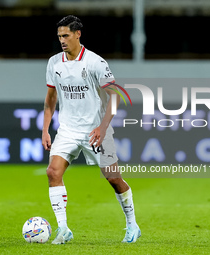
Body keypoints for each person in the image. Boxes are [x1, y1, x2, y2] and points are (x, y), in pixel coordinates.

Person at [42, 15, 141, 245]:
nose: (62, 40)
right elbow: (50, 99)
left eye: (66, 35)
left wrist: (102, 127)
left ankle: (132, 225)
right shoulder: (54, 63)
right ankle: (63, 229)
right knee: (52, 172)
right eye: (59, 37)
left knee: (114, 178)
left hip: (96, 130)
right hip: (67, 129)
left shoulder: (96, 62)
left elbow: (114, 98)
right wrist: (45, 129)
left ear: (78, 34)